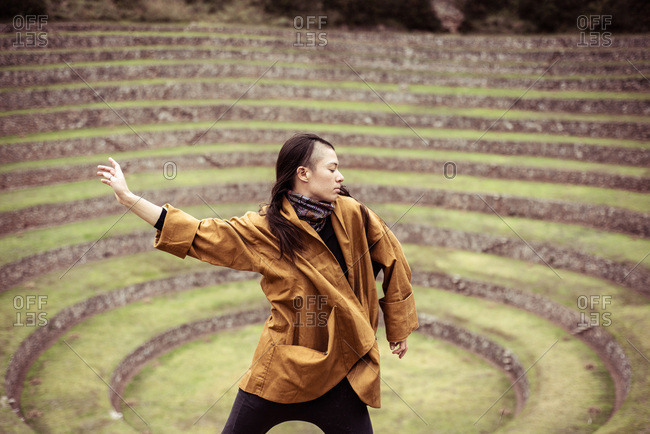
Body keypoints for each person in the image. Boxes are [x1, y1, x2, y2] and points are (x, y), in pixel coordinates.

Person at [97, 133, 418, 433]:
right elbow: (201, 234)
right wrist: (128, 199)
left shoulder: (354, 214)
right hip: (282, 364)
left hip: (342, 366)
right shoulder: (267, 228)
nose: (341, 176)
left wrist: (398, 326)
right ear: (303, 173)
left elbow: (393, 258)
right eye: (332, 168)